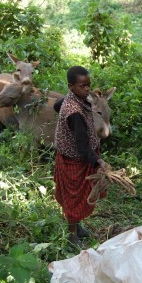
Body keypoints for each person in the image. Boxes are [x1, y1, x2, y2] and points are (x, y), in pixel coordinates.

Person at [54, 66, 107, 246]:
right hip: (74, 159)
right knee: (73, 198)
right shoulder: (74, 112)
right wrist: (99, 161)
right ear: (71, 86)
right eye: (82, 86)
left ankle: (77, 227)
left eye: (88, 85)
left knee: (79, 196)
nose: (86, 89)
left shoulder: (73, 98)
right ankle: (72, 236)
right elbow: (82, 147)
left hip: (79, 156)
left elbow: (56, 105)